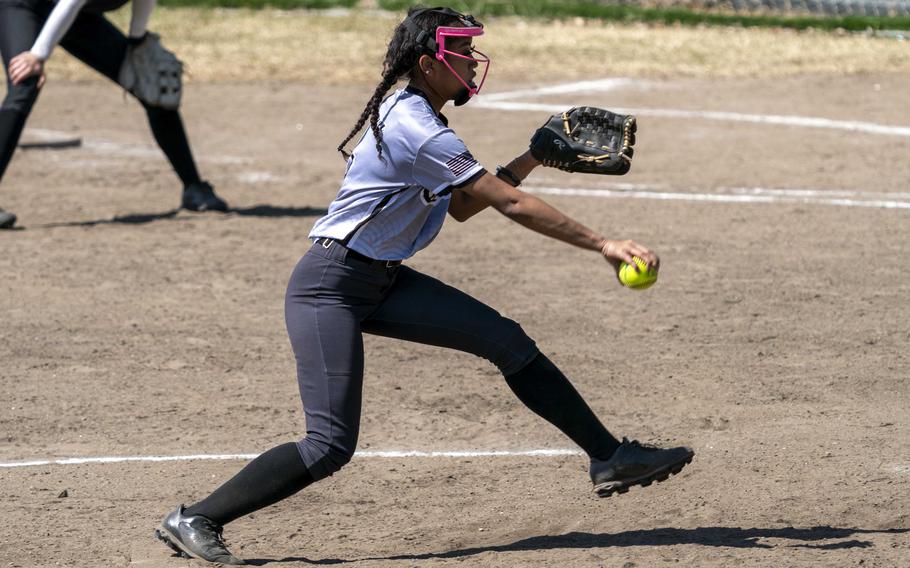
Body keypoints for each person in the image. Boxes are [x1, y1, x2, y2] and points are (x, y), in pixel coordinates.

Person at [155, 6, 694, 565]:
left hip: (381, 280)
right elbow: (505, 202)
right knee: (330, 444)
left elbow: (462, 205)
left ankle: (609, 457)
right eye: (459, 50)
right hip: (330, 286)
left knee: (507, 341)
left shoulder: (421, 116)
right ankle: (195, 517)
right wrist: (602, 243)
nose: (470, 59)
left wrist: (531, 156)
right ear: (427, 63)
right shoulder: (414, 125)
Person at [0, 0, 228, 229]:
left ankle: (194, 188)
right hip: (23, 5)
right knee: (24, 84)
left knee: (148, 80)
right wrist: (38, 55)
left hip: (78, 17)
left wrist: (137, 42)